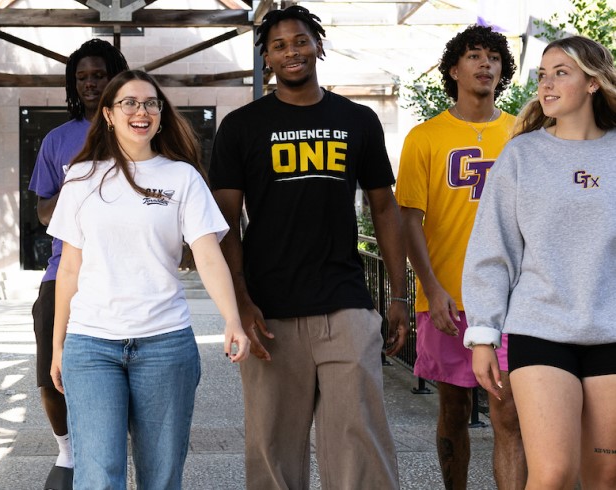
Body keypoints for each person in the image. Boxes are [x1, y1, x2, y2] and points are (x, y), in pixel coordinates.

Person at [209, 5, 409, 489]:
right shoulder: (241, 126)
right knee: (273, 450)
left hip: (345, 301)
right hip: (270, 311)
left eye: (300, 41)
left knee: (359, 445)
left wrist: (400, 296)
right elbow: (224, 222)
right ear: (267, 60)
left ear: (318, 46)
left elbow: (385, 208)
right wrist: (240, 301)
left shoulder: (357, 119)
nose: (292, 51)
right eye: (279, 46)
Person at [47, 69, 250, 489]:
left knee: (161, 477)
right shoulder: (81, 177)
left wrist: (232, 319)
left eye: (151, 103)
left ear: (161, 114)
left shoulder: (182, 178)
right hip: (92, 345)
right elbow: (69, 268)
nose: (142, 111)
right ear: (108, 114)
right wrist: (58, 345)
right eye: (129, 103)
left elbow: (209, 256)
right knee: (99, 475)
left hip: (165, 343)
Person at [464, 35, 616, 489]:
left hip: (610, 328)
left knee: (607, 473)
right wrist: (484, 336)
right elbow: (493, 249)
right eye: (542, 75)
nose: (546, 84)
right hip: (540, 327)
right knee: (552, 474)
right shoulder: (521, 155)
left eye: (561, 73)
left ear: (593, 83)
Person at [396, 25, 526, 490]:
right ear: (454, 69)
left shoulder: (522, 131)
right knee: (452, 408)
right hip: (447, 297)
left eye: (493, 57)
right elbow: (408, 219)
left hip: (512, 299)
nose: (485, 64)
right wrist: (431, 288)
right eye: (474, 55)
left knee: (506, 410)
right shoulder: (424, 137)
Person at [27, 38, 128, 490]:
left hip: (126, 273)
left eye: (98, 75)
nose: (90, 83)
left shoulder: (138, 126)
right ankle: (67, 450)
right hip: (62, 271)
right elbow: (43, 210)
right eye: (82, 77)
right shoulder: (57, 139)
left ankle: (108, 448)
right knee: (52, 371)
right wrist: (83, 195)